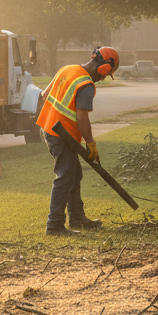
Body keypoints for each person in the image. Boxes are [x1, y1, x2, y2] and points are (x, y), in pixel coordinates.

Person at [36, 47, 119, 236]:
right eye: (108, 74)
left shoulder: (67, 69)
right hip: (61, 135)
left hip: (50, 128)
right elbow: (82, 119)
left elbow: (43, 96)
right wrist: (91, 144)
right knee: (65, 176)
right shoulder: (86, 84)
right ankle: (54, 226)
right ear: (104, 67)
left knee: (74, 174)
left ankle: (76, 218)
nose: (104, 78)